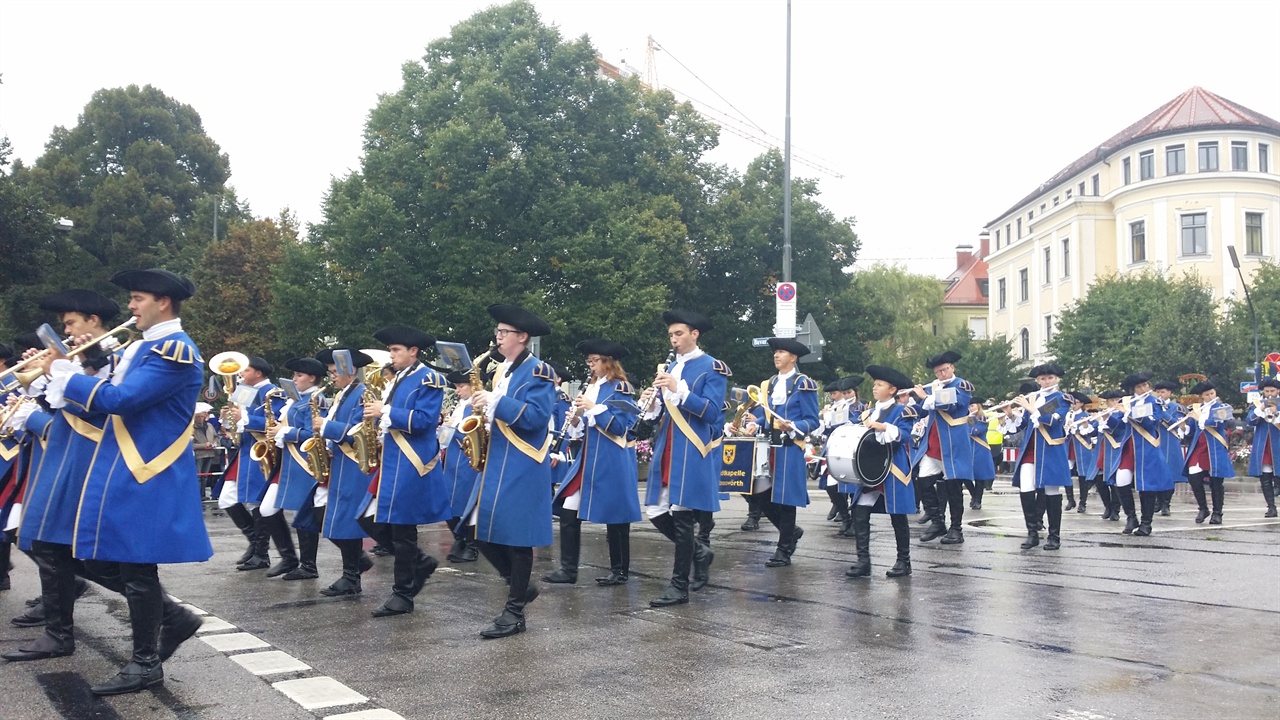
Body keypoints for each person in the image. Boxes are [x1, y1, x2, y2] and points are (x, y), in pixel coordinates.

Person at [35, 268, 211, 695]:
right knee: (98, 557)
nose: (130, 307)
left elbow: (125, 401)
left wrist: (67, 377)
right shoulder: (145, 347)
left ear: (162, 302)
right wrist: (69, 383)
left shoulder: (173, 349)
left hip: (144, 467)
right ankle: (170, 624)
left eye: (137, 298)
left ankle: (146, 662)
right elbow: (107, 406)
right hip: (120, 464)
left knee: (135, 565)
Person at [4, 290, 122, 661]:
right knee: (45, 543)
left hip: (83, 462)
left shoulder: (114, 358)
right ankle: (58, 627)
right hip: (56, 460)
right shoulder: (83, 359)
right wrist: (38, 383)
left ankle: (168, 613)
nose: (66, 330)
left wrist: (33, 415)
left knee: (66, 548)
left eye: (71, 322)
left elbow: (89, 416)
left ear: (93, 321)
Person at [464, 304, 556, 638]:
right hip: (499, 459)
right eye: (497, 332)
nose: (497, 338)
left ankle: (515, 612)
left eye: (503, 333)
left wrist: (494, 402)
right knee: (478, 529)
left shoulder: (539, 371)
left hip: (523, 462)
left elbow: (535, 418)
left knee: (518, 539)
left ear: (522, 337)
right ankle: (520, 587)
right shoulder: (502, 370)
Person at [356, 326, 450, 617]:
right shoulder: (397, 378)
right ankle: (420, 563)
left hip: (413, 462)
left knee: (402, 530)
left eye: (396, 350)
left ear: (413, 351)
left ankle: (403, 594)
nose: (391, 356)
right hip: (393, 461)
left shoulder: (430, 379)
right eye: (391, 350)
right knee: (368, 519)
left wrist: (384, 412)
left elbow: (424, 421)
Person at [641, 310, 729, 607]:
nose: (674, 339)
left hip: (691, 449)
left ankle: (679, 586)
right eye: (671, 335)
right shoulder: (670, 367)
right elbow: (661, 416)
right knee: (655, 509)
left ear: (695, 334)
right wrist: (650, 404)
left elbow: (713, 412)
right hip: (667, 445)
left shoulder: (712, 367)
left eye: (679, 334)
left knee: (682, 515)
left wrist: (679, 390)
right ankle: (699, 553)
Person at [546, 339, 641, 586]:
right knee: (568, 509)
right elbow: (584, 430)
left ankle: (620, 570)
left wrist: (594, 408)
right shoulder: (591, 387)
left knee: (616, 515)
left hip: (612, 457)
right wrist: (576, 419)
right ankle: (569, 570)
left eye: (595, 361)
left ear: (608, 362)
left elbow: (621, 427)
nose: (591, 366)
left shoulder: (621, 388)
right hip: (588, 456)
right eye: (589, 362)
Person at [741, 337, 819, 567]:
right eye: (775, 352)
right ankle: (791, 532)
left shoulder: (804, 383)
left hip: (790, 446)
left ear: (793, 357)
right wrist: (757, 424)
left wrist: (794, 426)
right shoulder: (771, 383)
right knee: (759, 494)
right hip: (768, 446)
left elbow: (812, 420)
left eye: (781, 352)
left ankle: (783, 550)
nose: (776, 355)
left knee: (786, 500)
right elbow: (768, 417)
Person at [311, 348, 376, 596]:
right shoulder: (342, 395)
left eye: (335, 372)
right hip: (340, 462)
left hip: (354, 464)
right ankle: (354, 568)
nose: (331, 377)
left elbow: (361, 430)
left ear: (351, 371)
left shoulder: (363, 394)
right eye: (330, 372)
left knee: (347, 520)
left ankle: (352, 576)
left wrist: (326, 425)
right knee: (331, 518)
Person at [843, 365, 917, 578]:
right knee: (859, 511)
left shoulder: (902, 410)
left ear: (892, 389)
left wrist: (884, 427)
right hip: (870, 469)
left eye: (879, 385)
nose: (874, 388)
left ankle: (904, 561)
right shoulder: (867, 412)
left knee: (897, 515)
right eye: (874, 384)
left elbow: (904, 435)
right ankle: (863, 561)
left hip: (893, 467)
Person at [219, 357, 287, 570]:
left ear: (258, 372)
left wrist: (244, 417)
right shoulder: (242, 390)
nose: (240, 374)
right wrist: (230, 418)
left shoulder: (273, 392)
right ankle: (255, 543)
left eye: (245, 370)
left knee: (255, 502)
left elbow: (275, 422)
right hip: (245, 451)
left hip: (263, 453)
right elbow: (237, 421)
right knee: (226, 498)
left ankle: (261, 552)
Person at [268, 357, 328, 580]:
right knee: (268, 509)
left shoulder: (316, 400)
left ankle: (309, 566)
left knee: (307, 515)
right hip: (290, 463)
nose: (294, 379)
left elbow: (313, 432)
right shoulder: (297, 400)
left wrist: (284, 433)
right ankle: (291, 559)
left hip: (305, 462)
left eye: (298, 375)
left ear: (312, 377)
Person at [1000, 364, 1071, 550]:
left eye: (1050, 378)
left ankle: (1054, 536)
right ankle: (1032, 533)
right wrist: (1011, 415)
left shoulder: (1061, 398)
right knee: (1026, 488)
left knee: (1051, 491)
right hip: (1030, 450)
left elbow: (1054, 420)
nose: (1046, 381)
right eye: (1042, 378)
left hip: (1050, 449)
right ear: (1037, 381)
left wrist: (1031, 409)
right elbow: (1024, 424)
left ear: (1056, 379)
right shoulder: (1033, 398)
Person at [912, 351, 975, 545]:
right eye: (938, 372)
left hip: (952, 444)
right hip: (932, 443)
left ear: (952, 368)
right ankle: (938, 522)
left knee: (953, 486)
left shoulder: (962, 385)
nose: (941, 375)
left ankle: (956, 529)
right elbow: (923, 410)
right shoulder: (934, 387)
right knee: (922, 481)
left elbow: (951, 404)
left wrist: (925, 396)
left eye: (944, 370)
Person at [1120, 372, 1173, 536]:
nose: (1143, 388)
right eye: (1139, 386)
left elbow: (1151, 423)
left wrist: (1129, 413)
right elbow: (1116, 425)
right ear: (1133, 388)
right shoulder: (1127, 401)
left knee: (1146, 485)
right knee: (1121, 481)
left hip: (1146, 446)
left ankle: (1146, 523)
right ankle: (1131, 517)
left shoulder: (1155, 401)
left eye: (1145, 385)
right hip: (1129, 446)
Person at [440, 370, 480, 563]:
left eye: (461, 386)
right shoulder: (461, 406)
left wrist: (452, 430)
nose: (458, 391)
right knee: (448, 505)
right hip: (452, 462)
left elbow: (472, 437)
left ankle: (472, 546)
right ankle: (460, 540)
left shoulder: (476, 406)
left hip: (467, 461)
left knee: (467, 505)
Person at [1182, 380, 1235, 524]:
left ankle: (1217, 512)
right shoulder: (1197, 408)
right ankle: (1203, 508)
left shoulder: (1222, 407)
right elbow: (1192, 431)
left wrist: (1199, 418)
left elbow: (1216, 423)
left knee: (1216, 481)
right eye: (1207, 395)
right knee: (1194, 477)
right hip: (1199, 448)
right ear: (1202, 397)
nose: (1211, 396)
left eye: (1212, 393)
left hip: (1214, 448)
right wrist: (1183, 425)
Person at [1152, 380, 1188, 517]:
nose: (1160, 395)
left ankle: (1166, 503)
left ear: (1169, 393)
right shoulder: (1152, 405)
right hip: (1155, 441)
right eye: (1158, 392)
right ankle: (1158, 501)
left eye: (1163, 392)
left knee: (1170, 474)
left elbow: (1176, 423)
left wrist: (1162, 411)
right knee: (1156, 473)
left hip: (1170, 441)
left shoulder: (1176, 407)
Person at [1247, 378, 1280, 518]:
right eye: (1266, 391)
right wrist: (1260, 409)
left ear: (1278, 391)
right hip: (1263, 444)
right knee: (1265, 476)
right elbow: (1249, 421)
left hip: (1278, 443)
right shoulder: (1257, 404)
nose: (1269, 394)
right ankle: (1271, 507)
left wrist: (1276, 412)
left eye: (1272, 391)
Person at [1065, 391, 1101, 515]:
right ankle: (1070, 499)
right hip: (1068, 445)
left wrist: (1078, 427)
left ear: (1081, 404)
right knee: (1066, 472)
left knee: (1083, 474)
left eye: (1075, 402)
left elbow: (1089, 431)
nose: (1072, 405)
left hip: (1082, 447)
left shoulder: (1086, 415)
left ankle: (1082, 502)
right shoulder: (1067, 415)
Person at [968, 401, 995, 509]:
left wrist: (969, 422)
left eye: (973, 405)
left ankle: (978, 500)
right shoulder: (966, 418)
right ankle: (973, 495)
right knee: (966, 476)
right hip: (969, 448)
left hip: (980, 449)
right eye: (969, 406)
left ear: (978, 406)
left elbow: (975, 431)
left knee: (980, 477)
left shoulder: (982, 419)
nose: (971, 408)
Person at [192, 403, 219, 499]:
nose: (200, 418)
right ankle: (197, 496)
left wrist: (215, 443)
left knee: (205, 476)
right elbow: (191, 444)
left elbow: (216, 437)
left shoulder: (210, 426)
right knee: (198, 476)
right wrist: (204, 445)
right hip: (199, 454)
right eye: (198, 417)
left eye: (202, 416)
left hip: (210, 454)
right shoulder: (192, 429)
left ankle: (202, 494)